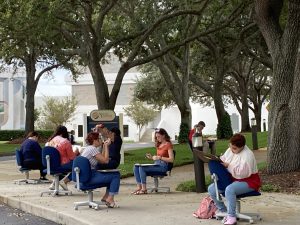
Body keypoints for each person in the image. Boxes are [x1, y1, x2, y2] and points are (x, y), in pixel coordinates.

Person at [207, 133, 261, 225]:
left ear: (242, 147)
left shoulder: (247, 156)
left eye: (235, 148)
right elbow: (224, 159)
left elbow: (242, 174)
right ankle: (224, 211)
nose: (232, 150)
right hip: (232, 178)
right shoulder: (231, 149)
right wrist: (219, 161)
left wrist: (228, 166)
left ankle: (232, 217)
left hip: (249, 181)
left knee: (230, 190)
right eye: (231, 146)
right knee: (211, 189)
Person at [81, 132, 120, 208]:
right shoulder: (92, 149)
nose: (100, 140)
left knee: (111, 175)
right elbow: (106, 161)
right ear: (94, 140)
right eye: (99, 139)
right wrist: (106, 146)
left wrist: (105, 146)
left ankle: (106, 197)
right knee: (115, 175)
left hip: (84, 177)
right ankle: (110, 199)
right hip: (90, 177)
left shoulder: (89, 149)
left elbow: (102, 159)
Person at [131, 128, 174, 195]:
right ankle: (139, 187)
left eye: (159, 136)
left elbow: (171, 159)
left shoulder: (168, 145)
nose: (157, 138)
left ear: (164, 135)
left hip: (163, 166)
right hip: (156, 164)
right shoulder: (159, 145)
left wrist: (159, 157)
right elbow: (157, 158)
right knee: (136, 166)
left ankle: (144, 189)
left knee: (141, 168)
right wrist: (151, 157)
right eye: (156, 137)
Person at [47, 125, 76, 190]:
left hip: (50, 164)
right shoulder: (65, 142)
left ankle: (54, 183)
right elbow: (71, 157)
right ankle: (65, 181)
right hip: (62, 163)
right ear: (64, 133)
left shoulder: (50, 141)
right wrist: (77, 153)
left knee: (61, 168)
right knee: (78, 165)